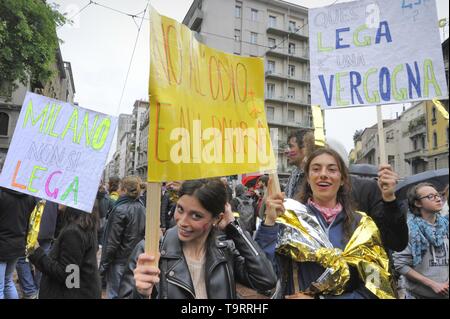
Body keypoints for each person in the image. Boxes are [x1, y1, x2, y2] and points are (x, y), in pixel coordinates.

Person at [255, 148, 394, 299]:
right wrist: (269, 223)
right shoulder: (288, 220)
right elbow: (263, 276)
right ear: (308, 178)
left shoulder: (362, 227)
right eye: (316, 169)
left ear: (342, 179)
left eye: (332, 169)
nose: (323, 174)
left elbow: (376, 287)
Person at [119, 179, 277, 299]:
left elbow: (266, 280)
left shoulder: (224, 251)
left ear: (216, 218)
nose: (182, 222)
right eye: (180, 209)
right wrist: (141, 294)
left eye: (196, 215)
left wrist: (233, 228)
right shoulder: (150, 250)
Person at [28, 204, 101, 299]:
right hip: (82, 290)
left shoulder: (74, 232)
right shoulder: (83, 224)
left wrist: (37, 253)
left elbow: (66, 275)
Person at [393, 183, 449, 299]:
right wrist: (433, 284)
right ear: (417, 203)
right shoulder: (409, 229)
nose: (438, 198)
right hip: (418, 295)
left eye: (438, 195)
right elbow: (400, 264)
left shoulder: (446, 226)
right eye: (430, 196)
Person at [100, 175, 146, 299]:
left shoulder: (120, 209)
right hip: (134, 260)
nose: (118, 190)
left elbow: (112, 243)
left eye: (120, 188)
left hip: (118, 263)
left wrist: (103, 267)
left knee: (115, 295)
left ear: (125, 190)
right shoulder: (142, 208)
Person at [0, 187, 36, 299]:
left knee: (1, 285)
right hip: (17, 245)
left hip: (2, 247)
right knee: (7, 281)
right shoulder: (30, 198)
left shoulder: (2, 195)